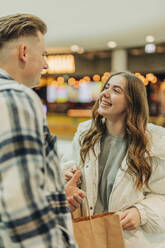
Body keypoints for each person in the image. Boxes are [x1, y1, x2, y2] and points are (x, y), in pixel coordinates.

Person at [0, 13, 85, 248]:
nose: (46, 64)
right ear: (24, 52)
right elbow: (20, 201)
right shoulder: (16, 96)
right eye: (44, 55)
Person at [62, 71, 165, 248]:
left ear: (131, 102)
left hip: (131, 239)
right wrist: (68, 177)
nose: (105, 94)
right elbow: (69, 168)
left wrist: (141, 213)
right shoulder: (85, 134)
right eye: (106, 87)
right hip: (90, 236)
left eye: (116, 90)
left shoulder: (154, 142)